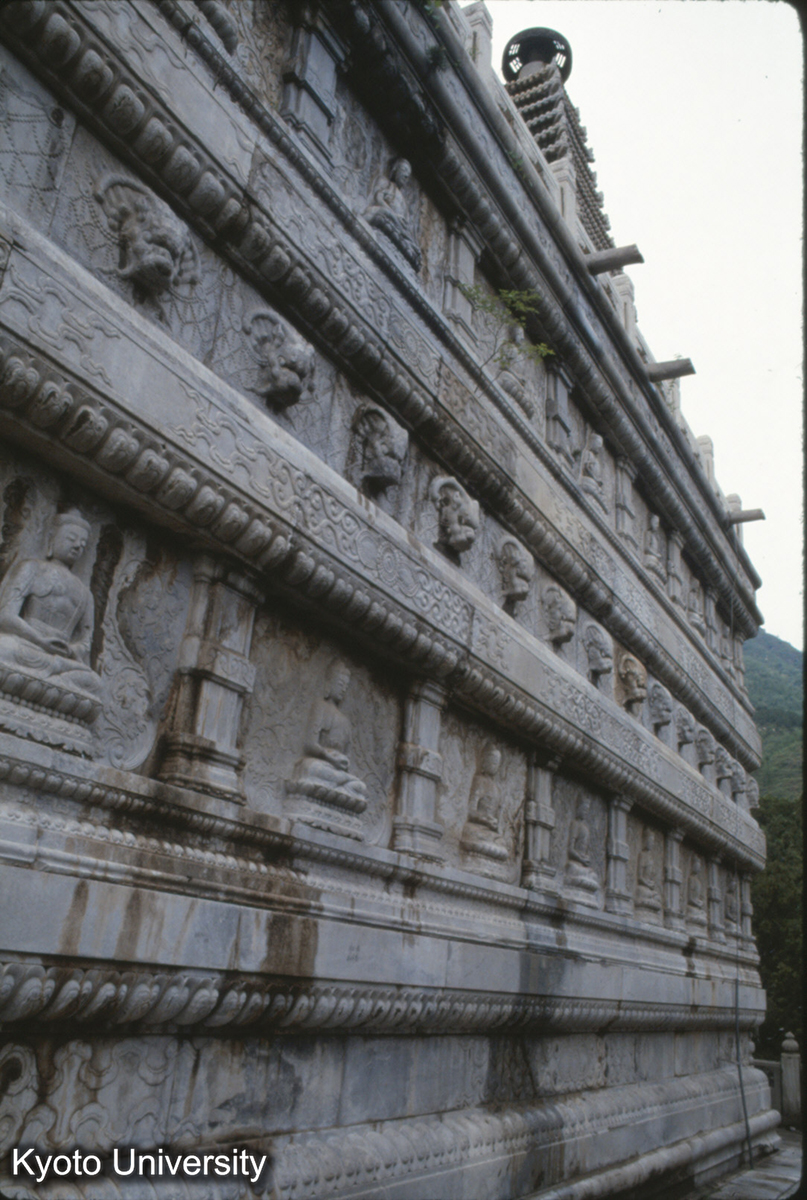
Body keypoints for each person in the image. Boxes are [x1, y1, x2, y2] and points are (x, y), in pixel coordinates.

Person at [0, 509, 101, 705]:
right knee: (3, 649)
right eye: (71, 538)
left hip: (62, 659)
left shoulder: (85, 593)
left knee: (94, 684)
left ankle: (44, 683)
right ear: (51, 538)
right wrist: (40, 640)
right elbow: (5, 616)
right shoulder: (32, 568)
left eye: (83, 543)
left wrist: (71, 650)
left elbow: (85, 641)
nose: (77, 545)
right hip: (27, 645)